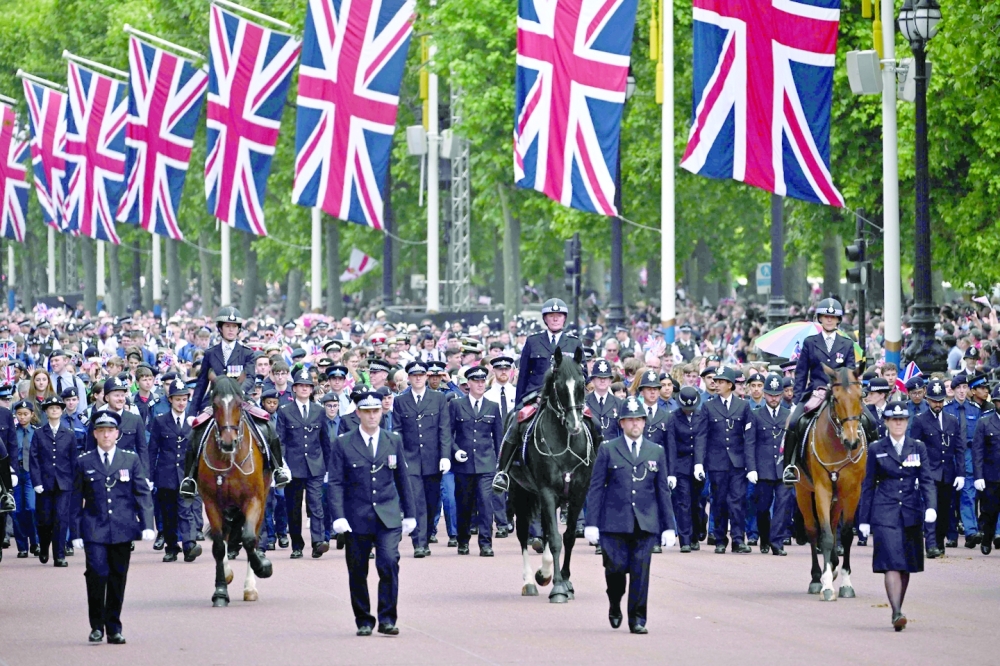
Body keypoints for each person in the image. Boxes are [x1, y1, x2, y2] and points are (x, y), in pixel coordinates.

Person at [584, 395, 676, 634]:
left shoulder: (656, 451)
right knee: (614, 570)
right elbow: (595, 488)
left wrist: (669, 526)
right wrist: (590, 523)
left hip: (645, 522)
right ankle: (615, 602)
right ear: (622, 423)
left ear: (645, 422)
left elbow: (662, 490)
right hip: (613, 522)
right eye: (630, 420)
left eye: (639, 419)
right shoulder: (607, 449)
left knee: (640, 572)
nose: (635, 424)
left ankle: (637, 619)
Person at [328, 391, 416, 636]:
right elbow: (335, 482)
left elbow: (402, 479)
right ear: (358, 414)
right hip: (356, 517)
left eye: (376, 411)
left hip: (387, 516)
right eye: (366, 411)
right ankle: (364, 619)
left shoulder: (393, 440)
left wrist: (410, 514)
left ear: (381, 412)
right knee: (357, 570)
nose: (372, 416)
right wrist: (338, 516)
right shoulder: (343, 442)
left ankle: (387, 618)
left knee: (388, 563)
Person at [181, 307, 288, 495]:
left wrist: (236, 391)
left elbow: (250, 378)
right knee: (195, 434)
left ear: (239, 330)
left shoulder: (246, 352)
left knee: (268, 426)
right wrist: (191, 413)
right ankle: (190, 478)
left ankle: (278, 468)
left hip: (241, 400)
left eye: (234, 326)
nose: (231, 330)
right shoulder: (210, 353)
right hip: (215, 402)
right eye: (227, 326)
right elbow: (200, 385)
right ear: (220, 328)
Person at [69, 410, 155, 644]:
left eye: (110, 430)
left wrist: (147, 523)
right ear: (95, 433)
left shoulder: (130, 459)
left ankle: (114, 627)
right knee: (97, 574)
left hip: (122, 527)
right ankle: (96, 625)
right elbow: (75, 498)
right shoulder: (83, 461)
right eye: (101, 430)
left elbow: (142, 493)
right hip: (94, 527)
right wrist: (74, 532)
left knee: (118, 577)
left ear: (117, 433)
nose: (106, 435)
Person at [857, 402, 937, 631]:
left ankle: (898, 606)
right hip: (885, 511)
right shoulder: (876, 448)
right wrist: (863, 519)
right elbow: (869, 484)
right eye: (894, 419)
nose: (899, 423)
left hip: (911, 511)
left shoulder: (917, 447)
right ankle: (896, 612)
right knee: (891, 561)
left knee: (906, 565)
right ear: (886, 422)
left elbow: (927, 479)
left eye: (902, 419)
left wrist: (931, 506)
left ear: (907, 421)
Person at [782, 298, 860, 485]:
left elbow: (850, 374)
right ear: (820, 318)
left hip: (840, 394)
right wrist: (796, 402)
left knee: (869, 421)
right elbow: (801, 373)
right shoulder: (810, 342)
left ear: (838, 319)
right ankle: (790, 467)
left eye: (833, 317)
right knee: (793, 423)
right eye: (826, 316)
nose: (829, 320)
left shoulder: (847, 344)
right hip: (815, 391)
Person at [393, 360, 451, 558]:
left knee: (432, 501)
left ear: (426, 376)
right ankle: (418, 542)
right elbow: (397, 430)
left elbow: (444, 429)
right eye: (414, 375)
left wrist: (445, 456)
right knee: (416, 501)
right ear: (408, 378)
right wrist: (401, 456)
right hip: (411, 458)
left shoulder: (438, 399)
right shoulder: (400, 400)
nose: (418, 378)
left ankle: (426, 537)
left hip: (433, 458)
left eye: (421, 374)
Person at [695, 366, 755, 553]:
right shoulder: (708, 406)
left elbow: (749, 438)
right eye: (715, 381)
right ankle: (720, 539)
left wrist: (751, 466)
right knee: (719, 501)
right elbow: (701, 436)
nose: (716, 384)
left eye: (721, 381)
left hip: (737, 463)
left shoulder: (743, 406)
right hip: (716, 462)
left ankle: (738, 539)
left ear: (730, 384)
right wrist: (699, 463)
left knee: (738, 501)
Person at [275, 368, 332, 559]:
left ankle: (318, 542)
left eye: (308, 386)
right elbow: (280, 440)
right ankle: (297, 545)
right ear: (295, 388)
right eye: (301, 386)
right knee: (293, 507)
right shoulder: (285, 411)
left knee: (316, 504)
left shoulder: (319, 410)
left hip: (315, 465)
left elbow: (325, 440)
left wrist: (330, 466)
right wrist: (282, 464)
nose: (305, 389)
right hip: (293, 466)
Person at [449, 366, 503, 557]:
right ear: (469, 383)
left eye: (483, 381)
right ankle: (463, 541)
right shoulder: (456, 405)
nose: (480, 384)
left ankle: (486, 544)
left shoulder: (493, 406)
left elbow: (499, 438)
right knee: (464, 504)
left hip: (486, 463)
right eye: (476, 381)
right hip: (463, 464)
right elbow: (448, 433)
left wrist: (500, 465)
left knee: (486, 503)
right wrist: (455, 451)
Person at [908, 378, 964, 558]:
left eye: (940, 400)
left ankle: (939, 542)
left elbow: (959, 448)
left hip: (948, 472)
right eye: (934, 400)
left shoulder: (952, 420)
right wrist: (914, 473)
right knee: (930, 508)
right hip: (927, 473)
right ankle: (930, 544)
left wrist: (961, 473)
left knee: (945, 510)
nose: (937, 404)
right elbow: (913, 448)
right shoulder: (919, 420)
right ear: (927, 400)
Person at [148, 378, 201, 563]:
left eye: (184, 399)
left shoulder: (194, 421)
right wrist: (150, 476)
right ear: (170, 399)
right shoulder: (160, 421)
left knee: (186, 511)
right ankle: (171, 547)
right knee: (168, 513)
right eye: (177, 399)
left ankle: (189, 546)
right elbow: (152, 450)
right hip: (165, 474)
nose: (181, 403)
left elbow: (198, 450)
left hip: (187, 475)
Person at [746, 373, 793, 555]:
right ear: (764, 394)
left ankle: (777, 542)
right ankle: (764, 538)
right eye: (770, 395)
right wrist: (751, 469)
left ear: (781, 395)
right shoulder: (755, 414)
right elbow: (749, 443)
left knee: (782, 507)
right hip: (763, 469)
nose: (774, 399)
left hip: (783, 469)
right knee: (763, 508)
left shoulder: (788, 415)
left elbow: (793, 444)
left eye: (777, 395)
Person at [30, 395, 77, 566]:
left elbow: (73, 460)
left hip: (64, 483)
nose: (54, 410)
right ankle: (43, 546)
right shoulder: (39, 433)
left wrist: (74, 482)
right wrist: (36, 482)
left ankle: (59, 555)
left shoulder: (69, 434)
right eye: (51, 408)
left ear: (62, 411)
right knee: (44, 520)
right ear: (46, 412)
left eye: (57, 408)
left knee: (61, 518)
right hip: (44, 482)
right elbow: (33, 459)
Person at [666, 386, 705, 552]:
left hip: (697, 465)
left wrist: (699, 463)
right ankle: (685, 540)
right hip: (681, 465)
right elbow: (671, 446)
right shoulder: (673, 418)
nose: (688, 411)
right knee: (683, 503)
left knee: (697, 503)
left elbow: (701, 440)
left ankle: (695, 535)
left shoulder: (701, 416)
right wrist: (672, 473)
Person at [971, 384, 1000, 555]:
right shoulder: (985, 422)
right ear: (995, 402)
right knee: (989, 512)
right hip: (991, 476)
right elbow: (978, 451)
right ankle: (987, 538)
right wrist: (978, 476)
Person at [586, 359, 622, 441]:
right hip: (591, 450)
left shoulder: (619, 403)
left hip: (612, 451)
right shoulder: (584, 403)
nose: (602, 380)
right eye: (599, 377)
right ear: (592, 380)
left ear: (610, 381)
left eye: (605, 378)